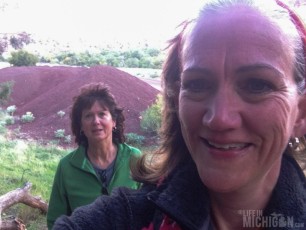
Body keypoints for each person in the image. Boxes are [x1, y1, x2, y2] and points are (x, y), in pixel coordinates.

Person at [53, 0, 306, 229]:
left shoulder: (130, 156)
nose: (219, 118)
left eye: (257, 85)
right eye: (197, 84)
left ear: (301, 115)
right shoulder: (129, 217)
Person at [47, 83, 142, 229]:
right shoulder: (67, 167)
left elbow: (149, 211)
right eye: (88, 115)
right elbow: (55, 220)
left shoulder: (134, 158)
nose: (96, 121)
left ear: (114, 121)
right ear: (81, 126)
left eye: (102, 114)